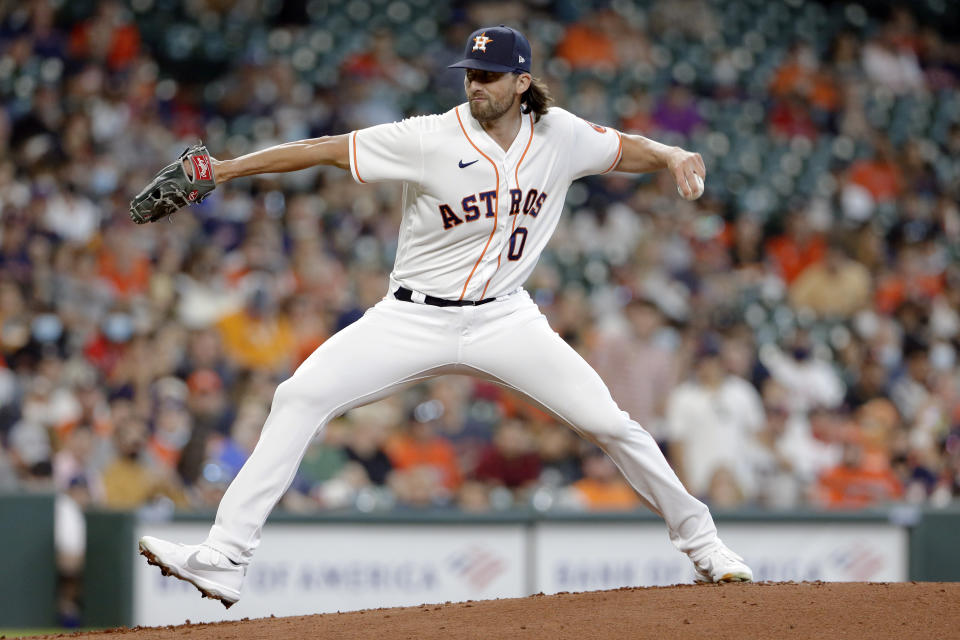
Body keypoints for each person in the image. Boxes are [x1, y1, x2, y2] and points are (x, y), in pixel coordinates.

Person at [138, 25, 752, 608]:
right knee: (297, 396)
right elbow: (326, 151)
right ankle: (225, 557)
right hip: (411, 317)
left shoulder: (561, 134)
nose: (476, 84)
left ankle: (704, 544)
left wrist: (671, 153)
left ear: (521, 82)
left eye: (489, 74)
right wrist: (226, 169)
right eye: (470, 73)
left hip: (506, 320)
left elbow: (625, 151)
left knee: (612, 424)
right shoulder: (430, 135)